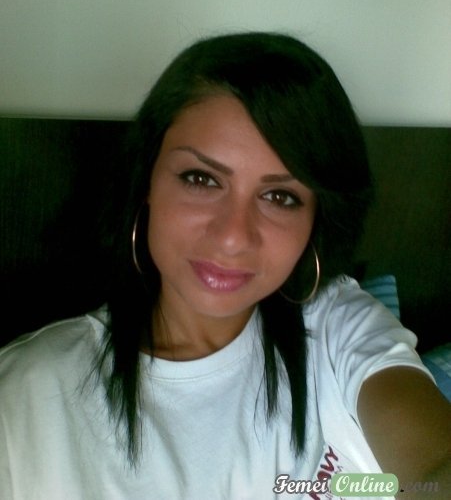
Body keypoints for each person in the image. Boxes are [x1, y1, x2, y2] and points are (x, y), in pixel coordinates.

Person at [0, 32, 450, 500]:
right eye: (201, 178)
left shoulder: (335, 326)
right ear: (147, 179)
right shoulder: (24, 400)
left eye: (280, 197)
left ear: (316, 217)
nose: (234, 236)